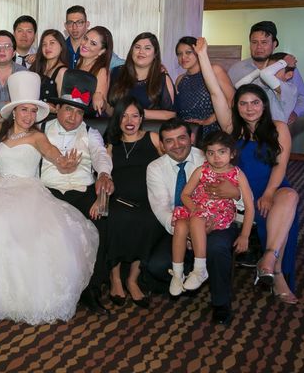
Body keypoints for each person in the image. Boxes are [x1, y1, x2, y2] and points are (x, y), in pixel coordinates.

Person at [0, 70, 99, 324]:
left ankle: (25, 296)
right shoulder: (0, 132)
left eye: (32, 111)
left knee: (25, 227)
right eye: (24, 110)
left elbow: (55, 156)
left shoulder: (38, 137)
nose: (28, 116)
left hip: (29, 191)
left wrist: (66, 163)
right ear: (14, 112)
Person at [196, 37, 299, 304]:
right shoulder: (232, 127)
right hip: (240, 189)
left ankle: (270, 259)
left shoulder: (279, 128)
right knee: (281, 203)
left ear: (263, 105)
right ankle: (275, 272)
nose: (249, 107)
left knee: (290, 196)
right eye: (243, 103)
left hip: (272, 185)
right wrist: (203, 56)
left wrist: (269, 192)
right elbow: (216, 91)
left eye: (255, 102)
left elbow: (281, 166)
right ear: (237, 108)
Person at [146, 118, 242, 324]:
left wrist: (236, 194)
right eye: (169, 141)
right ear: (162, 145)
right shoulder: (155, 168)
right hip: (179, 225)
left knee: (216, 249)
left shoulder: (211, 156)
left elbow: (239, 196)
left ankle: (220, 303)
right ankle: (186, 274)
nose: (177, 145)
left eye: (182, 138)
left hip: (217, 221)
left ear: (191, 137)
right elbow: (161, 208)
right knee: (156, 265)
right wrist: (188, 232)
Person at [169, 131, 254, 296]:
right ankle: (178, 274)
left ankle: (200, 268)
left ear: (232, 153)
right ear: (205, 154)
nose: (216, 157)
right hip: (198, 210)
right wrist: (193, 207)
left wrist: (245, 235)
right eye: (210, 152)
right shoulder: (201, 170)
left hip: (219, 214)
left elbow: (250, 207)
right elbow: (185, 195)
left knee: (196, 220)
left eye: (222, 152)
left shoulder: (237, 174)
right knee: (180, 225)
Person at [105, 96, 163, 309]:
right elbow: (104, 174)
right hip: (118, 200)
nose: (130, 120)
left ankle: (132, 278)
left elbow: (172, 164)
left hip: (149, 201)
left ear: (141, 119)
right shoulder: (112, 144)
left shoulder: (154, 138)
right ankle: (116, 278)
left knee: (148, 220)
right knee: (116, 218)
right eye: (124, 116)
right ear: (118, 119)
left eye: (135, 115)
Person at [228, 20, 304, 125]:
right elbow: (231, 98)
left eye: (264, 42)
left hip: (278, 128)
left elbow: (303, 97)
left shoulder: (289, 69)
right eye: (254, 42)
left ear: (274, 45)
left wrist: (295, 113)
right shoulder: (236, 69)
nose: (259, 47)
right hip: (244, 129)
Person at [174, 36, 234, 137]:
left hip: (213, 130)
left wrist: (210, 120)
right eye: (179, 54)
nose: (183, 57)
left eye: (188, 52)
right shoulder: (180, 79)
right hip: (186, 133)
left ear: (198, 52)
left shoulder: (215, 70)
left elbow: (232, 100)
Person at [108, 32, 175, 120]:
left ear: (155, 54)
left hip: (149, 130)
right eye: (137, 47)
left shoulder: (162, 78)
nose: (141, 52)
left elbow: (171, 114)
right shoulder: (116, 72)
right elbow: (107, 106)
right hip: (116, 127)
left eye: (147, 48)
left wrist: (137, 113)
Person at [233, 51, 298, 123]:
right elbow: (239, 86)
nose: (270, 71)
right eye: (269, 68)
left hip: (277, 131)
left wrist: (284, 62)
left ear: (288, 75)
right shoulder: (267, 87)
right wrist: (259, 71)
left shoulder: (291, 90)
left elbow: (266, 74)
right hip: (262, 129)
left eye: (274, 70)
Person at [76, 26, 113, 115]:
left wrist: (98, 98)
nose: (85, 44)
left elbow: (102, 106)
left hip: (89, 121)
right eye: (85, 39)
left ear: (102, 51)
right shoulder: (78, 62)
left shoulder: (102, 71)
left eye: (93, 43)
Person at [28, 29, 68, 109]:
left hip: (50, 118)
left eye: (52, 43)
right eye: (44, 44)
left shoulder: (62, 71)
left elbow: (63, 105)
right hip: (30, 114)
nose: (47, 47)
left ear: (62, 47)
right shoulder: (36, 66)